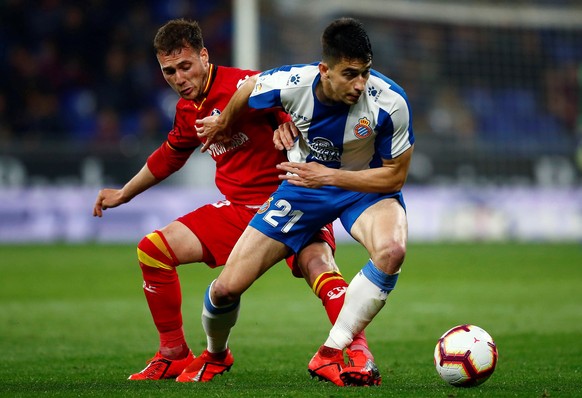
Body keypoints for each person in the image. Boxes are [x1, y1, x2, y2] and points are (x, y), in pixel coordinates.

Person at [92, 18, 376, 384]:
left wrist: (287, 124)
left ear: (205, 56)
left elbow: (302, 106)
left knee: (319, 267)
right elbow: (170, 156)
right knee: (153, 250)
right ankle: (174, 354)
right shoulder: (186, 111)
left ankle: (357, 353)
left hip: (292, 201)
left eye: (185, 66)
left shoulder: (248, 85)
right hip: (239, 210)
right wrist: (123, 193)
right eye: (169, 71)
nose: (179, 78)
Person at [194, 17, 414, 387]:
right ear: (324, 70)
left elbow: (394, 176)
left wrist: (328, 175)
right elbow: (248, 87)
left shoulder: (389, 102)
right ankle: (216, 353)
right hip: (302, 191)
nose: (360, 84)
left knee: (392, 251)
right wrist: (224, 124)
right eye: (349, 74)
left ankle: (330, 352)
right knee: (227, 287)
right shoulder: (292, 84)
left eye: (365, 73)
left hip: (364, 187)